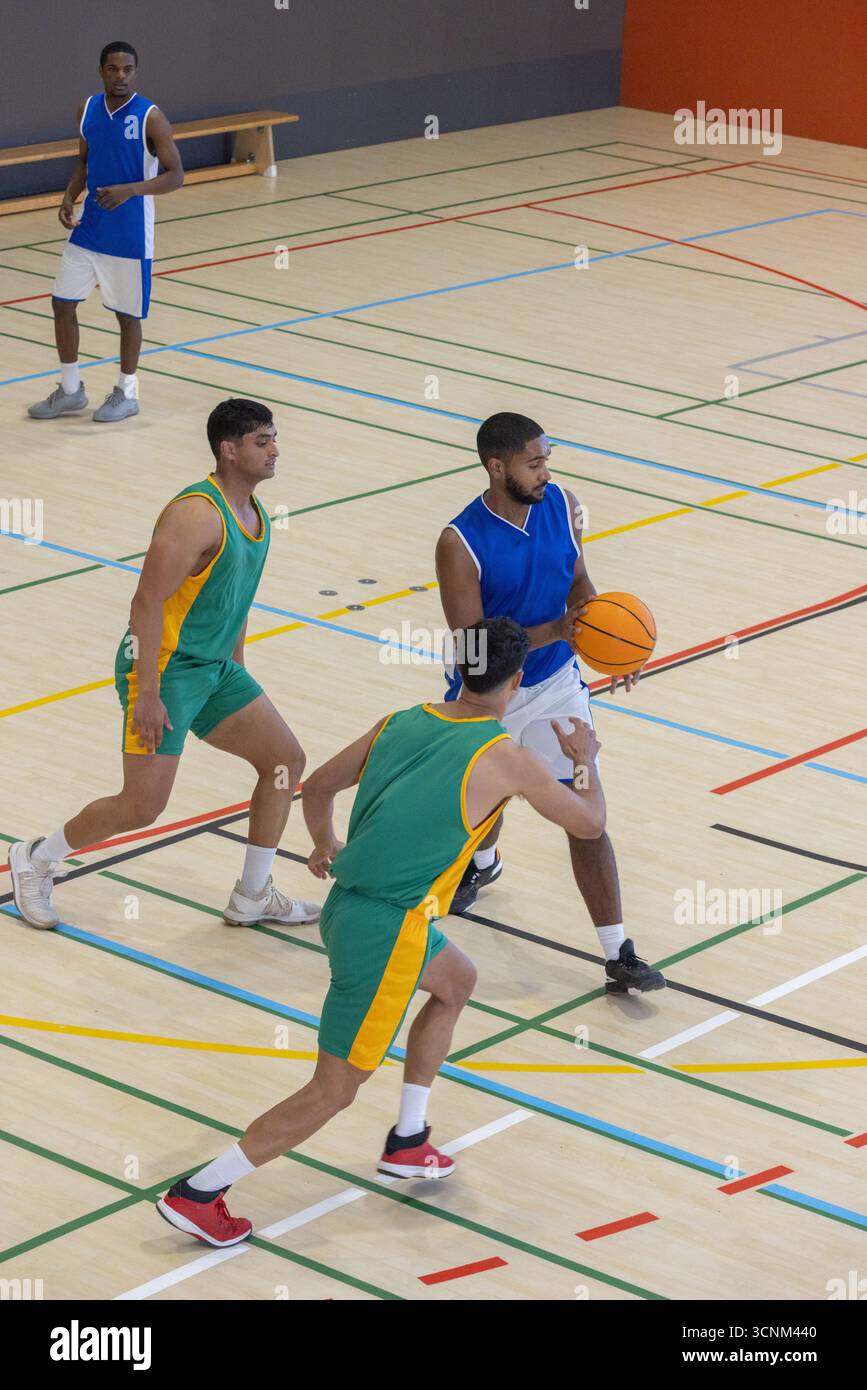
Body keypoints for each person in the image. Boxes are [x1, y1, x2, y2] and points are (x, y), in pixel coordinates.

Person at [155, 616, 606, 1247]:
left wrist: (323, 843)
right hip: (388, 930)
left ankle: (409, 1139)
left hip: (351, 908)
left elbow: (316, 787)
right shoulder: (512, 761)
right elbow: (588, 825)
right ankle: (200, 1192)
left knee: (456, 982)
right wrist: (584, 762)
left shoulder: (401, 720)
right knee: (332, 1091)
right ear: (518, 679)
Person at [8, 398, 318, 931]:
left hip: (214, 668)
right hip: (164, 670)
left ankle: (252, 894)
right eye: (262, 441)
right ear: (229, 449)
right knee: (142, 806)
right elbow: (145, 603)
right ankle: (36, 857)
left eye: (273, 439)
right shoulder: (196, 514)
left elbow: (233, 599)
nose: (274, 451)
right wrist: (147, 694)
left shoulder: (255, 514)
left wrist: (237, 667)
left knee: (284, 760)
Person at [435, 412, 665, 994]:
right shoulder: (459, 542)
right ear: (496, 467)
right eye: (533, 462)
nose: (545, 471)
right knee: (484, 802)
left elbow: (580, 584)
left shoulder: (561, 504)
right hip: (489, 693)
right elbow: (473, 650)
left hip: (559, 683)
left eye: (546, 459)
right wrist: (557, 630)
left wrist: (609, 644)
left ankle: (619, 954)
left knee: (585, 813)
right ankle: (480, 865)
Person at [28, 40, 183, 423]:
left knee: (127, 316)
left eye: (127, 69)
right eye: (113, 69)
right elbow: (84, 162)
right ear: (101, 71)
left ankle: (126, 392)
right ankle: (69, 391)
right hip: (90, 228)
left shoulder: (151, 117)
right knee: (63, 302)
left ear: (135, 71)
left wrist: (131, 189)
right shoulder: (88, 109)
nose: (121, 76)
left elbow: (176, 175)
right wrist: (68, 196)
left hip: (129, 234)